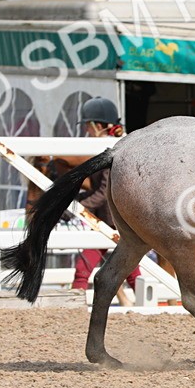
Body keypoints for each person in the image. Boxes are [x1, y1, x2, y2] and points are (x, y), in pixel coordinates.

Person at [65, 97, 141, 293]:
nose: (86, 131)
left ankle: (74, 303)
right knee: (130, 274)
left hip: (113, 222)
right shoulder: (107, 147)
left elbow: (104, 192)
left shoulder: (113, 150)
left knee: (84, 270)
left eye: (87, 127)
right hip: (109, 220)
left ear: (98, 126)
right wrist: (78, 200)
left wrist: (77, 207)